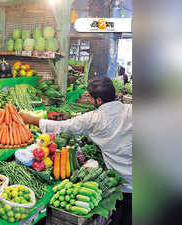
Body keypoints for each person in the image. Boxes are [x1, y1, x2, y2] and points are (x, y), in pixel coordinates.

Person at [20, 76, 132, 225]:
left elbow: (66, 126)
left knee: (120, 212)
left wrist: (31, 119)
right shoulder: (130, 109)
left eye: (90, 98)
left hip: (120, 177)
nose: (89, 100)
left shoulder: (94, 118)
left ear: (98, 101)